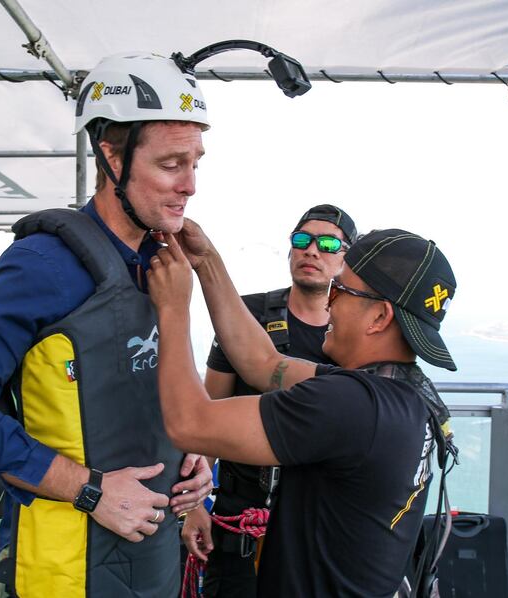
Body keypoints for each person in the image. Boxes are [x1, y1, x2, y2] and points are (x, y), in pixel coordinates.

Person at [0, 52, 215, 598]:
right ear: (111, 156)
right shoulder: (45, 265)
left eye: (197, 162)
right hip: (65, 566)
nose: (191, 185)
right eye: (172, 165)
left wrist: (196, 462)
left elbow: (154, 381)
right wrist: (89, 490)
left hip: (152, 557)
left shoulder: (163, 262)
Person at [148, 225, 457, 597]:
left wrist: (172, 307)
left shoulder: (351, 405)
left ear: (379, 318)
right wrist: (206, 261)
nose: (329, 302)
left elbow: (189, 423)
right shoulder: (403, 391)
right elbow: (261, 363)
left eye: (340, 289)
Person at [182, 204, 357, 596]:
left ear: (347, 259)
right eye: (302, 240)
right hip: (240, 517)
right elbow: (207, 417)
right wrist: (195, 506)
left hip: (315, 525)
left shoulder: (350, 337)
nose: (313, 251)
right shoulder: (247, 316)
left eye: (329, 243)